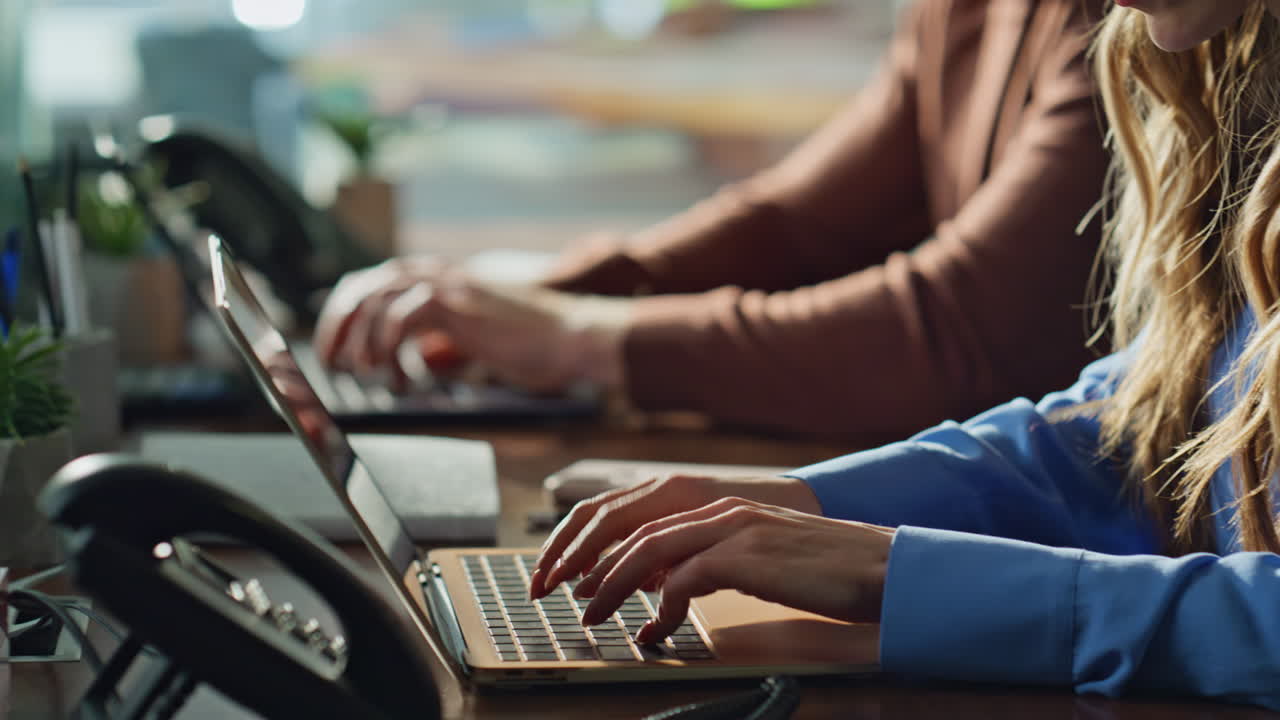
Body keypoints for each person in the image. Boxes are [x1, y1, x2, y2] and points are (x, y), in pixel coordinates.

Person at [526, 0, 1280, 708]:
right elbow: (1138, 425)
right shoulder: (1232, 63)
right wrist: (804, 503)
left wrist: (901, 574)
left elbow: (960, 326)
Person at [313, 0, 1108, 437]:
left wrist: (574, 337)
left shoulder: (1133, 18)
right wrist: (524, 308)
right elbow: (797, 225)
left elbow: (960, 334)